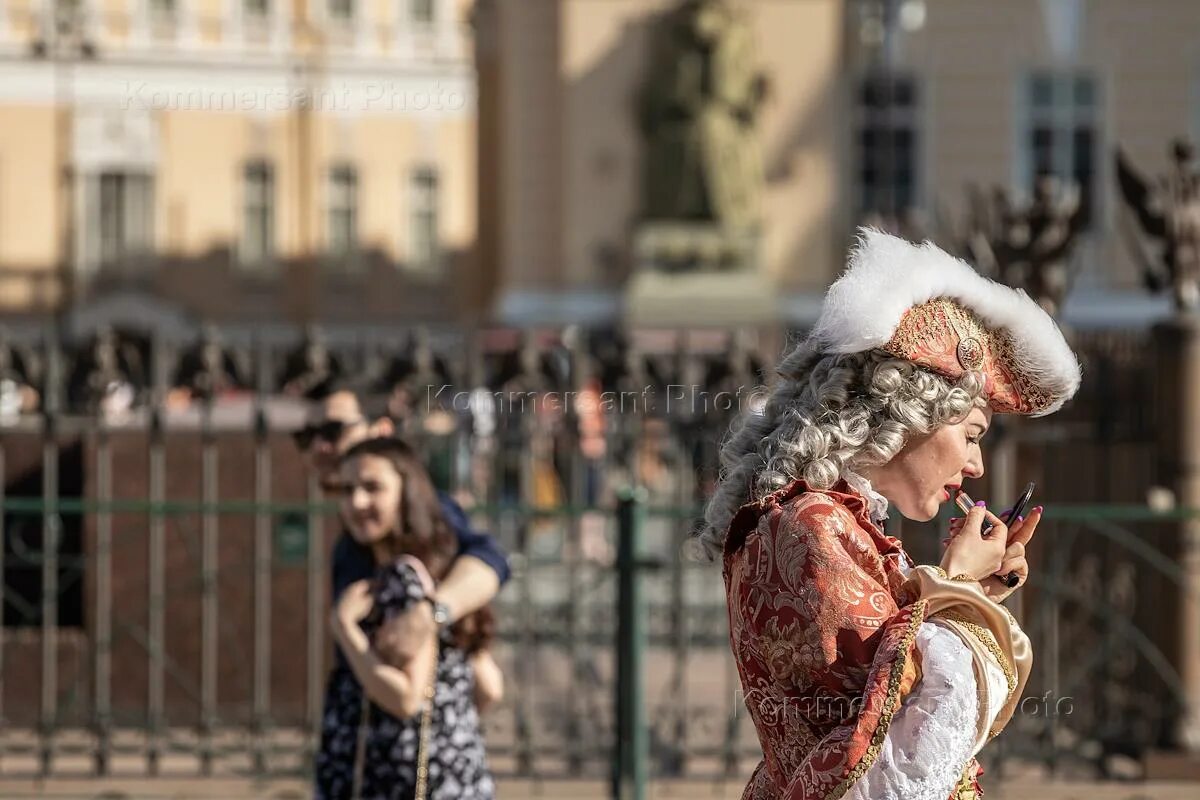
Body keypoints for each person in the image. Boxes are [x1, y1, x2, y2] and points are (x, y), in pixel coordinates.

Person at [698, 229, 1082, 799]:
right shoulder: (810, 526)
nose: (976, 465)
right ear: (913, 411)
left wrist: (974, 589)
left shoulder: (826, 522)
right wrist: (956, 590)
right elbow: (900, 751)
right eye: (972, 434)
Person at [317, 437, 498, 799]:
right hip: (449, 774)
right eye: (347, 489)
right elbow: (491, 687)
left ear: (406, 492)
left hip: (398, 776)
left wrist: (345, 629)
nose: (356, 502)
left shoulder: (402, 580)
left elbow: (404, 700)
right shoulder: (432, 571)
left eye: (373, 488)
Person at [293, 387, 511, 647]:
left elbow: (489, 559)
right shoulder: (350, 540)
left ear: (381, 430)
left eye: (333, 431)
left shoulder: (423, 510)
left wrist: (429, 615)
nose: (320, 447)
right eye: (307, 436)